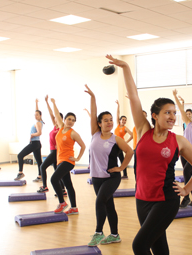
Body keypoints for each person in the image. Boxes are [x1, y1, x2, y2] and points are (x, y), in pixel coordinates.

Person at [107, 55, 192, 255]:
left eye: (175, 113)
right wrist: (126, 67)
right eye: (168, 113)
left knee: (139, 245)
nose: (173, 117)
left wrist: (185, 190)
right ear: (155, 116)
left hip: (165, 200)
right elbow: (133, 95)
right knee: (158, 248)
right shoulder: (142, 129)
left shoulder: (179, 141)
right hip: (142, 200)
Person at [84, 86, 133, 246]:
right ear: (99, 123)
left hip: (111, 177)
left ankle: (98, 232)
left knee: (99, 201)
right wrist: (93, 97)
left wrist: (121, 168)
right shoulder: (95, 133)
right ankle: (115, 234)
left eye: (111, 120)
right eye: (106, 120)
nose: (109, 122)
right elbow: (93, 113)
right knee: (108, 205)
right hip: (96, 177)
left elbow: (130, 151)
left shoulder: (116, 139)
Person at [50, 98, 86, 215]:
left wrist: (78, 158)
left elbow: (83, 146)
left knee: (54, 179)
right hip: (60, 160)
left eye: (73, 120)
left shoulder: (73, 133)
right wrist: (54, 103)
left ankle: (62, 203)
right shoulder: (60, 128)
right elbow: (56, 114)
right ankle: (74, 208)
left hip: (68, 161)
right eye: (69, 119)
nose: (71, 121)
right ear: (64, 120)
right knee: (68, 185)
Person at [37, 96, 65, 195]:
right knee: (57, 171)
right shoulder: (55, 126)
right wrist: (47, 102)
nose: (55, 119)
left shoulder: (62, 128)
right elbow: (51, 113)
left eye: (58, 118)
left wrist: (54, 103)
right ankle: (62, 190)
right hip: (52, 151)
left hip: (55, 152)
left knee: (42, 167)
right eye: (55, 118)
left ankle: (44, 186)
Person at [15, 99, 43, 181]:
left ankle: (20, 173)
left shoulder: (38, 123)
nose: (35, 116)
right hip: (37, 143)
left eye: (37, 115)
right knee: (39, 161)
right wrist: (36, 103)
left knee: (20, 155)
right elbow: (37, 111)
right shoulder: (40, 121)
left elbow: (39, 133)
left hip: (34, 143)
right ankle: (40, 176)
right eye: (34, 115)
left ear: (40, 115)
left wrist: (32, 135)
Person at [114, 100, 133, 179]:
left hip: (120, 145)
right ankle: (117, 173)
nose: (124, 121)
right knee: (114, 158)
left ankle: (125, 175)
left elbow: (132, 135)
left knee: (122, 159)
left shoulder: (125, 128)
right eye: (123, 120)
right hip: (114, 144)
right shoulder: (118, 125)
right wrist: (118, 105)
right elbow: (117, 114)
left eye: (125, 120)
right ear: (120, 120)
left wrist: (126, 142)